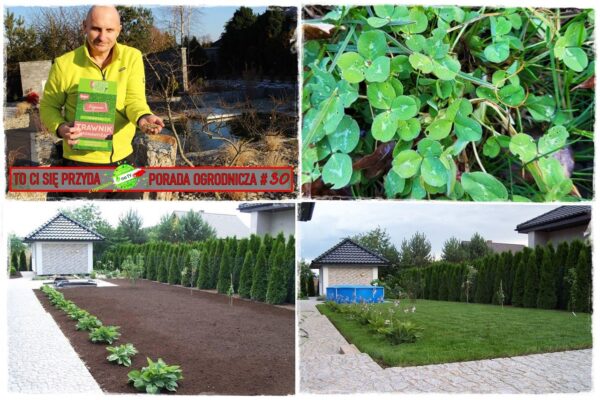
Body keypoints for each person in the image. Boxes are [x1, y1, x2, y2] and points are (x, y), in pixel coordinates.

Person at [39, 5, 164, 198]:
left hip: (123, 159)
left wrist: (144, 117)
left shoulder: (132, 57)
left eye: (109, 30)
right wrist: (61, 127)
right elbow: (48, 106)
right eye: (96, 28)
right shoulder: (64, 64)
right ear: (84, 27)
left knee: (127, 219)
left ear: (119, 30)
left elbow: (134, 100)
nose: (102, 37)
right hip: (80, 163)